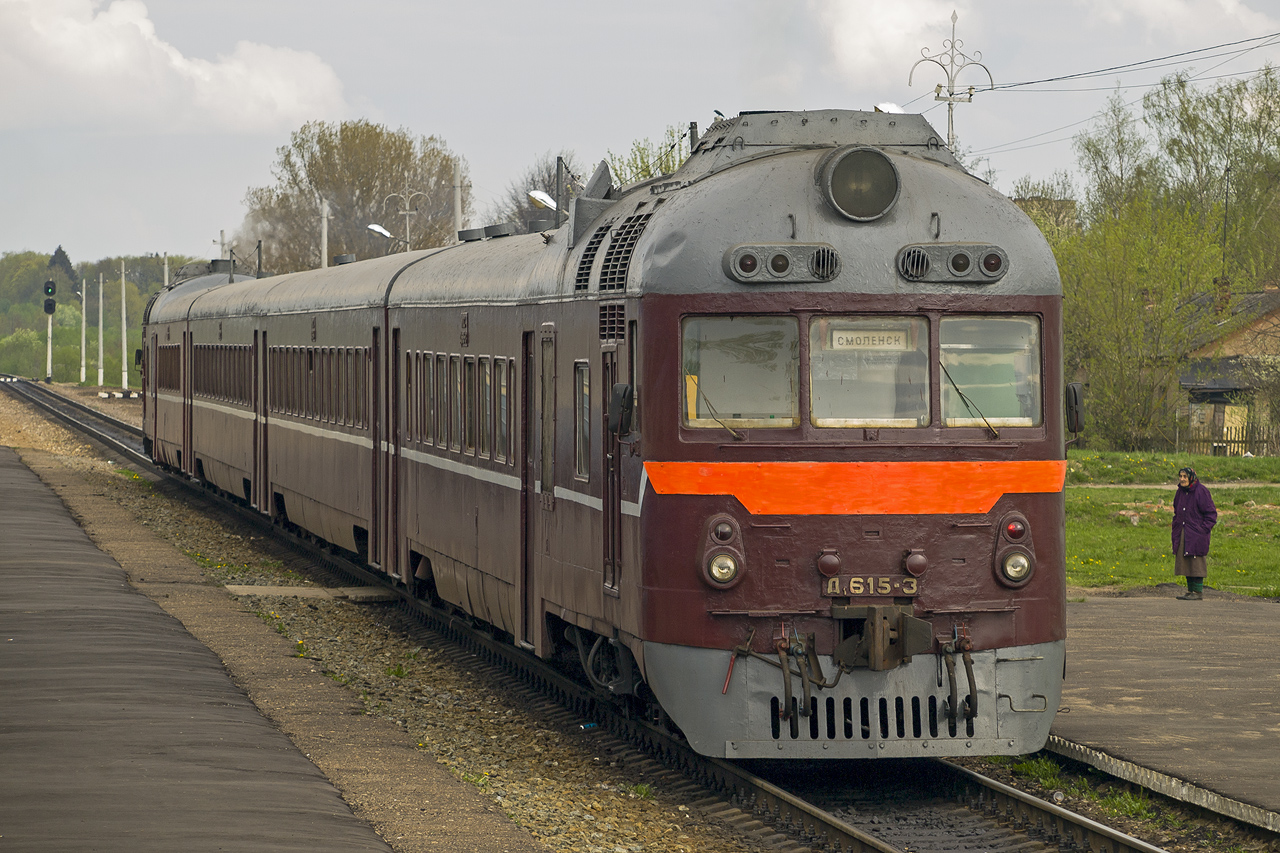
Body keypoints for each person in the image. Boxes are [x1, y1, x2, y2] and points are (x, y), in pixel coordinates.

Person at [1171, 467, 1217, 601]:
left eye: (1185, 476)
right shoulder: (1180, 492)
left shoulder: (1201, 491)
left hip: (1196, 533)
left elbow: (1211, 514)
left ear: (1191, 477)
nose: (1182, 479)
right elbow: (1176, 510)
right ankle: (1190, 590)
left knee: (1196, 562)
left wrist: (1202, 530)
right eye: (1180, 476)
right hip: (1183, 531)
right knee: (1186, 561)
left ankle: (1197, 592)